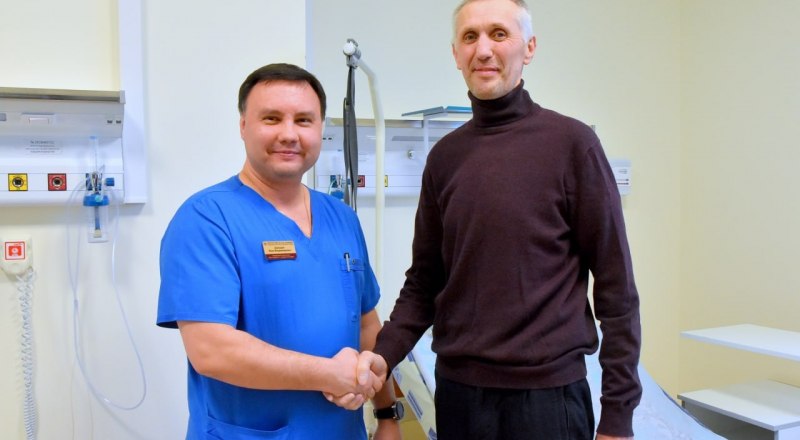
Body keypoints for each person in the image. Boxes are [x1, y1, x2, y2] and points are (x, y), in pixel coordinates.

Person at [361, 0, 643, 439]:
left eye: (499, 34)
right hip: (460, 399)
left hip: (547, 400)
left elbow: (616, 289)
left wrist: (618, 416)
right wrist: (383, 355)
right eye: (470, 37)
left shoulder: (573, 145)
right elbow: (424, 282)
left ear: (529, 48)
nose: (484, 50)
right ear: (456, 54)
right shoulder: (444, 159)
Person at [157, 63, 400, 440]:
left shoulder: (342, 218)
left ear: (320, 129)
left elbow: (367, 325)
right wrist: (328, 374)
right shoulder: (206, 219)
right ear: (243, 126)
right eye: (271, 118)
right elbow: (211, 350)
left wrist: (386, 414)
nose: (289, 134)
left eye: (303, 120)